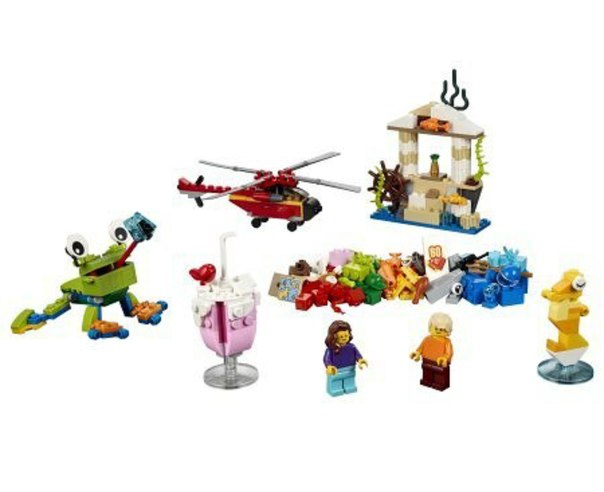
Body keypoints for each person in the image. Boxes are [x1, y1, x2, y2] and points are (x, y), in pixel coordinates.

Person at [410, 312, 453, 391]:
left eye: (442, 330)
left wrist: (444, 358)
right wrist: (417, 353)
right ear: (430, 328)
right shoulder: (427, 339)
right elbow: (421, 348)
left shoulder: (446, 342)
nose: (438, 331)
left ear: (448, 331)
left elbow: (448, 353)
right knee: (427, 373)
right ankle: (427, 381)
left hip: (439, 363)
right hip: (427, 361)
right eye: (436, 328)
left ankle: (440, 384)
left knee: (440, 375)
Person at [323, 320, 367, 397]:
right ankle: (335, 389)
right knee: (335, 381)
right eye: (341, 336)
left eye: (346, 335)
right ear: (334, 337)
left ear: (349, 334)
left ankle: (349, 387)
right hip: (336, 371)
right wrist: (329, 366)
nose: (344, 338)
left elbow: (357, 355)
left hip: (350, 369)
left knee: (349, 379)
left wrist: (361, 360)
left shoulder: (351, 347)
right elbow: (327, 359)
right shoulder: (331, 349)